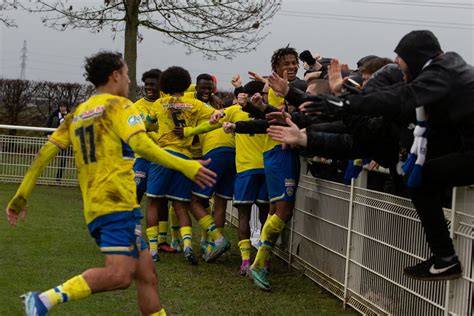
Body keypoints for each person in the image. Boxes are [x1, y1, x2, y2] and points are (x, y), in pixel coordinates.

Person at [5, 51, 216, 316]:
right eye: (127, 75)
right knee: (119, 276)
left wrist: (21, 195)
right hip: (114, 205)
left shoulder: (78, 113)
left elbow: (43, 154)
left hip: (107, 206)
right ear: (115, 75)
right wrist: (188, 165)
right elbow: (141, 144)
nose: (129, 81)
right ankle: (43, 300)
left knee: (147, 276)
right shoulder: (120, 105)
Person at [271, 30, 474, 281]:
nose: (397, 63)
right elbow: (361, 120)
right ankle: (445, 259)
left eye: (400, 58)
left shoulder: (438, 74)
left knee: (423, 181)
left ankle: (446, 259)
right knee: (423, 180)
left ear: (415, 56)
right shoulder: (437, 78)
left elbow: (393, 101)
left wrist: (341, 103)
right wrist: (319, 119)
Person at [144, 66, 230, 265]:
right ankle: (188, 247)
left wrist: (157, 128)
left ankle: (153, 250)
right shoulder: (194, 104)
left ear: (164, 84)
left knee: (154, 202)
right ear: (185, 84)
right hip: (185, 159)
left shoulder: (159, 103)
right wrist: (191, 131)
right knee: (181, 205)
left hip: (164, 155)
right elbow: (218, 121)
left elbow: (146, 125)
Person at [182, 73, 236, 256]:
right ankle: (213, 246)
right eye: (202, 88)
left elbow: (179, 92)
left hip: (215, 152)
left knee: (192, 199)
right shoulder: (219, 104)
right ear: (196, 88)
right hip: (232, 151)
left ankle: (217, 239)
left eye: (209, 88)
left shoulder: (195, 106)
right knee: (220, 203)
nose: (206, 91)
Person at [46, 100, 70, 181]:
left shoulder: (70, 114)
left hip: (64, 140)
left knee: (63, 159)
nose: (62, 108)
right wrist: (48, 134)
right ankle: (44, 175)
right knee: (48, 156)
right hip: (54, 139)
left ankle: (58, 177)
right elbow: (48, 123)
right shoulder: (54, 114)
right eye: (61, 107)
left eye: (64, 107)